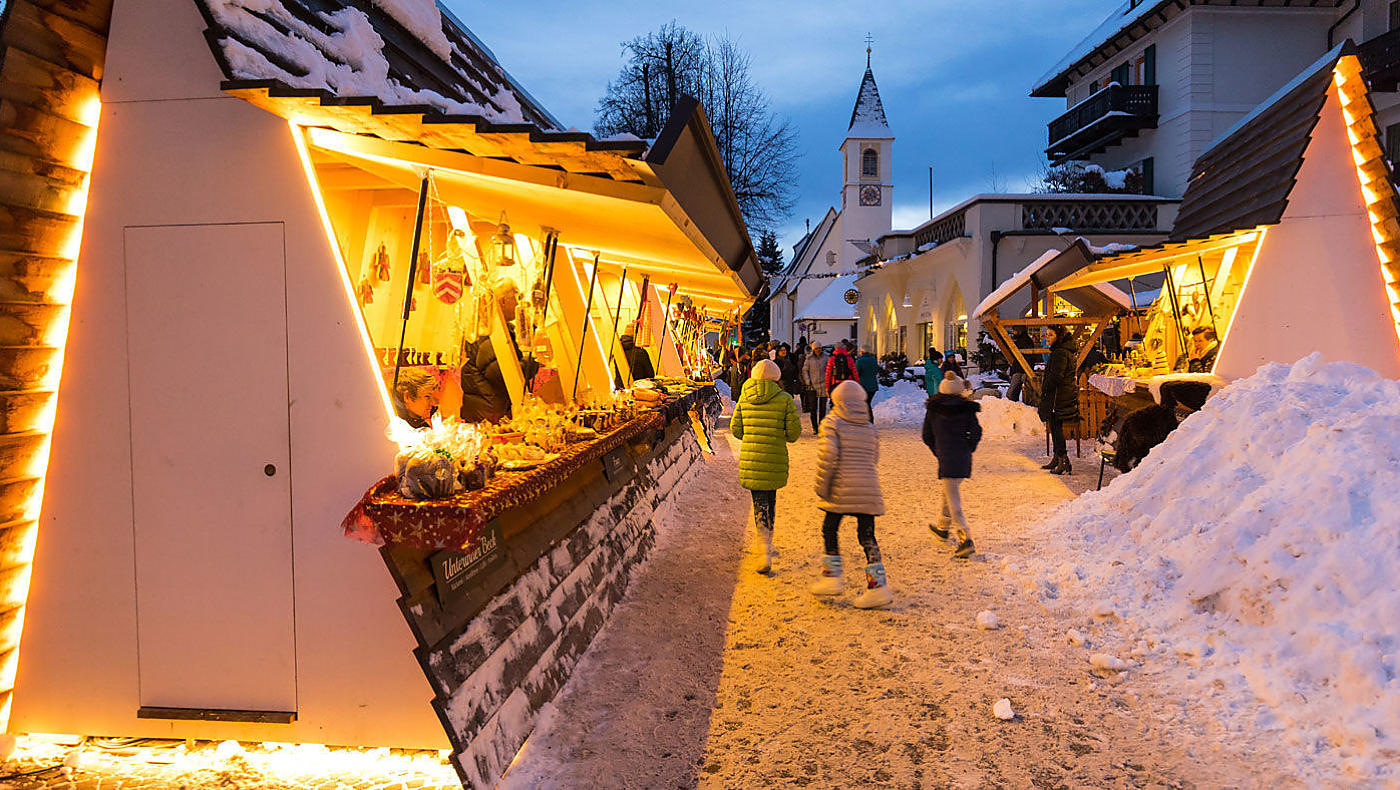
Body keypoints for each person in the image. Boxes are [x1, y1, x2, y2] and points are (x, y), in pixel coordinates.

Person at [810, 379, 892, 608]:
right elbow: (874, 457)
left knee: (830, 529)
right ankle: (878, 587)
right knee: (867, 536)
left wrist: (822, 487)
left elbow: (827, 456)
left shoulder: (832, 422)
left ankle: (832, 578)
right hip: (868, 488)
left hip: (841, 488)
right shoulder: (869, 426)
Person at [730, 359, 801, 574]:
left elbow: (736, 430)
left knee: (759, 502)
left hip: (751, 457)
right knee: (770, 499)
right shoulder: (784, 399)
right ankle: (766, 545)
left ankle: (764, 546)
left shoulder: (744, 396)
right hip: (774, 456)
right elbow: (793, 434)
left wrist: (753, 434)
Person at [923, 371, 983, 559]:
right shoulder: (966, 409)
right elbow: (976, 432)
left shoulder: (934, 409)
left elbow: (926, 435)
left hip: (946, 457)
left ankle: (966, 539)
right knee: (949, 491)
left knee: (953, 499)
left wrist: (938, 451)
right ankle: (943, 527)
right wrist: (968, 448)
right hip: (963, 457)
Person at [1038, 324, 1080, 475]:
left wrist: (1045, 387)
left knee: (1056, 428)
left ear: (1059, 336)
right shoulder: (1061, 350)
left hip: (1058, 397)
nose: (1047, 338)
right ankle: (1057, 458)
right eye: (1046, 334)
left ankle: (1063, 460)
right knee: (1055, 427)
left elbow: (1057, 376)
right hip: (1062, 395)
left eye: (1051, 335)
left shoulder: (1060, 352)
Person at [460, 336, 510, 423]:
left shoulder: (474, 337)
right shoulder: (493, 337)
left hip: (478, 408)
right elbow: (496, 374)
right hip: (490, 410)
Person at [801, 342, 830, 433]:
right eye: (816, 348)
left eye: (819, 348)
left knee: (823, 408)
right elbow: (805, 370)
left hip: (823, 385)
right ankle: (814, 427)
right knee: (813, 408)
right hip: (812, 386)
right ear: (813, 349)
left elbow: (829, 369)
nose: (818, 350)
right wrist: (807, 381)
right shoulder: (809, 358)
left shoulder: (826, 357)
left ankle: (821, 426)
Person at [855, 345, 879, 420]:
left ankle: (868, 420)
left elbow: (857, 373)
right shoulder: (874, 360)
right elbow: (876, 371)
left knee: (865, 403)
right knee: (867, 403)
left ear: (862, 352)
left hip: (863, 385)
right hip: (873, 385)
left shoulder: (859, 361)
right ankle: (868, 419)